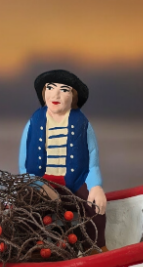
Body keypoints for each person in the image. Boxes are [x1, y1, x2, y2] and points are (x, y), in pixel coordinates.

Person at [18, 69, 108, 252]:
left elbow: (92, 162)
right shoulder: (33, 123)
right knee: (24, 209)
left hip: (74, 180)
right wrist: (39, 186)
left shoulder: (83, 124)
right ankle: (32, 248)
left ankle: (96, 248)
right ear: (43, 93)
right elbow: (24, 165)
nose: (55, 94)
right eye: (50, 88)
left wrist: (96, 186)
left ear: (73, 97)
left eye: (64, 89)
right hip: (41, 182)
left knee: (95, 211)